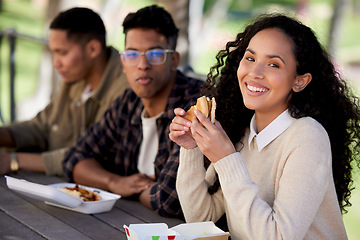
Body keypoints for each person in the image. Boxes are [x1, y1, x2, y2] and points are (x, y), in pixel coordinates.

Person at [170, 13, 360, 239]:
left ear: (299, 81)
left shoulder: (308, 137)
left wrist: (226, 159)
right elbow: (201, 219)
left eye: (273, 64)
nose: (255, 73)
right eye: (250, 58)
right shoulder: (245, 133)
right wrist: (192, 148)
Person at [62, 5, 204, 218]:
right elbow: (74, 158)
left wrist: (136, 190)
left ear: (174, 60)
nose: (142, 65)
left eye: (155, 54)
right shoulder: (129, 102)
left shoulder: (192, 107)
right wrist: (115, 182)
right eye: (132, 54)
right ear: (123, 61)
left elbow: (170, 199)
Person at [0, 7, 129, 176]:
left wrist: (13, 161)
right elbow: (42, 127)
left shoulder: (126, 89)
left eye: (62, 52)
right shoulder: (75, 78)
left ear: (93, 49)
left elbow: (91, 155)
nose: (56, 63)